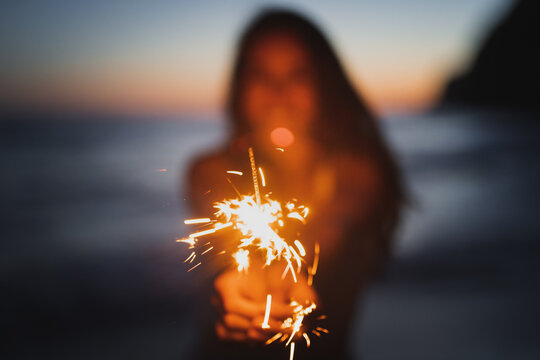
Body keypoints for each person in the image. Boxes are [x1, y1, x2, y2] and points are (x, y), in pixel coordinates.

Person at [186, 9, 405, 360]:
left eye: (297, 75)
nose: (278, 92)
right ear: (240, 84)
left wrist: (291, 266)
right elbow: (223, 233)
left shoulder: (358, 170)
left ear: (324, 83)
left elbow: (336, 219)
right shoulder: (209, 169)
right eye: (261, 75)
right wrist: (240, 282)